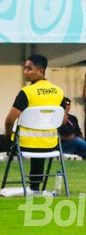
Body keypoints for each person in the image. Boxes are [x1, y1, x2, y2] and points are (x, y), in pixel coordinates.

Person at [4, 55, 66, 192]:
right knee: (39, 143)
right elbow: (63, 119)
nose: (25, 71)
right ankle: (35, 186)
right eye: (25, 68)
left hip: (25, 143)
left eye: (29, 69)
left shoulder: (27, 92)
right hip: (51, 144)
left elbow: (9, 120)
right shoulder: (59, 92)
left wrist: (9, 136)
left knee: (8, 139)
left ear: (40, 71)